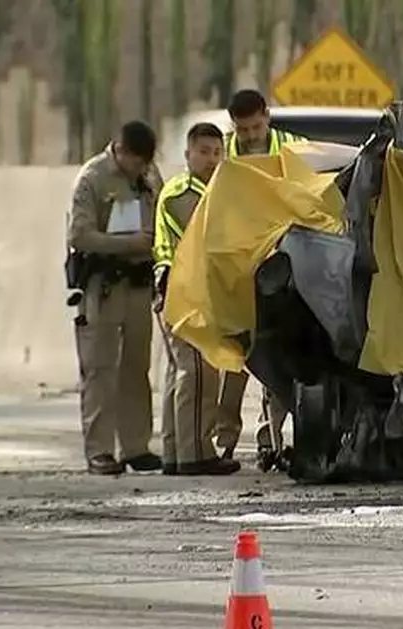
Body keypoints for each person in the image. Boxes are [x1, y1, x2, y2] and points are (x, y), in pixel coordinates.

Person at [67, 121, 163, 476]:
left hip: (139, 286)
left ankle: (136, 446)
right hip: (104, 287)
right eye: (137, 161)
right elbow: (80, 234)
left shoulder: (149, 176)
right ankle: (100, 451)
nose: (142, 169)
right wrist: (128, 244)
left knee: (136, 369)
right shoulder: (92, 178)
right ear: (120, 150)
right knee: (100, 370)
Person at [152, 122, 247, 476]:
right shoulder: (184, 194)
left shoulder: (213, 190)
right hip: (183, 292)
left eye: (216, 152)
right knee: (197, 372)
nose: (211, 160)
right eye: (204, 152)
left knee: (181, 373)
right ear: (188, 154)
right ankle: (196, 454)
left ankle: (175, 452)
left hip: (188, 292)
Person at [224, 88, 307, 468]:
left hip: (286, 266)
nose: (251, 136)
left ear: (267, 117)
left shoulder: (292, 147)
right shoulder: (224, 154)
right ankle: (231, 440)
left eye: (256, 126)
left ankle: (275, 437)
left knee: (284, 354)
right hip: (239, 268)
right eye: (243, 130)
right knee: (242, 357)